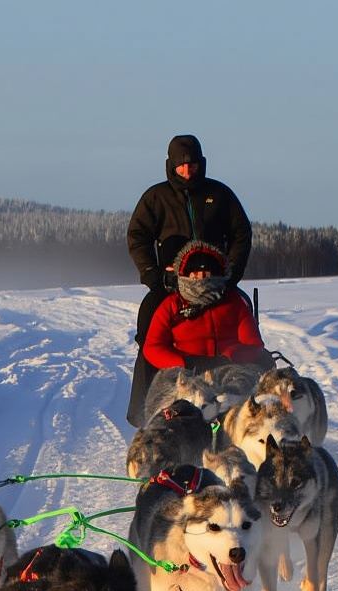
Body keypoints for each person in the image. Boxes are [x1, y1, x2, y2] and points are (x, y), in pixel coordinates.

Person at [126, 133, 252, 423]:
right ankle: (146, 413)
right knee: (149, 335)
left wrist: (231, 273)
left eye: (192, 164)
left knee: (240, 331)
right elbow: (137, 236)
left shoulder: (219, 195)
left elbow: (241, 233)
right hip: (170, 285)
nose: (187, 170)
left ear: (201, 164)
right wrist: (153, 275)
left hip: (217, 283)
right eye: (181, 166)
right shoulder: (156, 197)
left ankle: (244, 405)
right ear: (171, 166)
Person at [142, 241, 265, 374]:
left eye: (206, 275)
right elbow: (153, 348)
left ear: (217, 275)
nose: (200, 280)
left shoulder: (234, 303)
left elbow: (254, 345)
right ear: (185, 276)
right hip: (184, 376)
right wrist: (184, 363)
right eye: (195, 275)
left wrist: (229, 358)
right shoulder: (171, 305)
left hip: (229, 373)